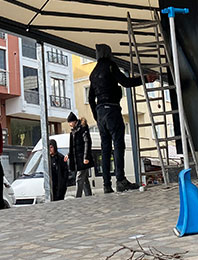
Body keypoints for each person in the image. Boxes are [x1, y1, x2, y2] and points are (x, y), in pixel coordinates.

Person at [89, 43, 156, 194]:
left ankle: (107, 185)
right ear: (108, 53)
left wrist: (96, 116)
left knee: (105, 149)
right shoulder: (110, 66)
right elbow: (125, 82)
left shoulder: (93, 73)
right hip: (112, 109)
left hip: (100, 112)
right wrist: (144, 79)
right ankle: (120, 180)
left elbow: (90, 98)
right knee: (118, 145)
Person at [65, 112, 94, 197]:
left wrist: (86, 157)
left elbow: (87, 142)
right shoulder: (73, 132)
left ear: (74, 121)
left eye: (70, 122)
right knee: (84, 179)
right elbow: (73, 147)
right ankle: (89, 196)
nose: (69, 124)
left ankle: (78, 197)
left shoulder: (83, 129)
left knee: (79, 178)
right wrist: (68, 155)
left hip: (82, 158)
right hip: (78, 159)